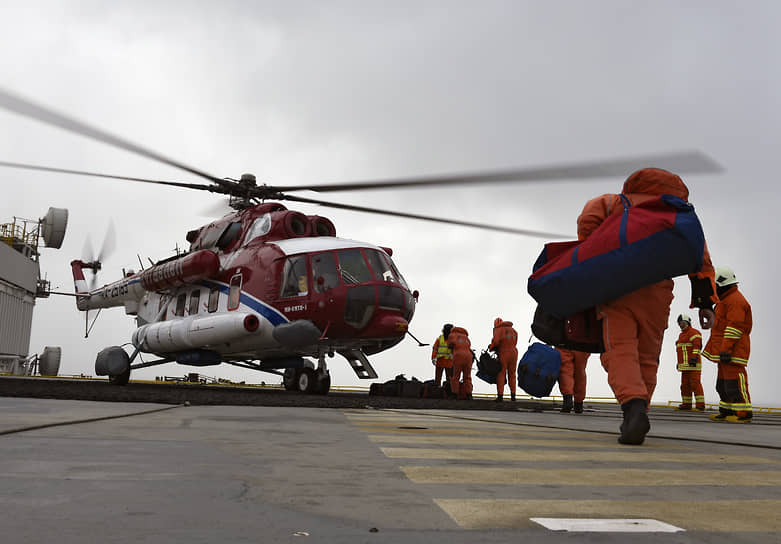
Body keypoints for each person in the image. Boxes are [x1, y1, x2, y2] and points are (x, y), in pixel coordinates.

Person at [578, 168, 716, 445]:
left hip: (617, 286)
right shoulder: (678, 214)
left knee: (619, 349)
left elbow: (587, 224)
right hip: (657, 291)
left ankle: (633, 407)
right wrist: (705, 303)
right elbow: (700, 257)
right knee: (648, 355)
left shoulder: (610, 203)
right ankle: (640, 410)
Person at [701, 266, 753, 422]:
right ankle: (727, 411)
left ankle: (744, 413)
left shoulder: (735, 301)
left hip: (732, 351)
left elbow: (734, 328)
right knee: (723, 384)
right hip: (725, 351)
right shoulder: (725, 300)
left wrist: (725, 350)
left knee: (734, 382)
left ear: (721, 284)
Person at [674, 313, 705, 411]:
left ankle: (700, 406)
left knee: (695, 384)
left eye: (682, 322)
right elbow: (681, 351)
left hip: (693, 365)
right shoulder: (681, 335)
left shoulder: (694, 332)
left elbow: (697, 346)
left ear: (687, 322)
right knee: (684, 386)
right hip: (685, 366)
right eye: (679, 323)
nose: (680, 325)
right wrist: (679, 363)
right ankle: (686, 405)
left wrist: (694, 358)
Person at [488, 317, 519, 402]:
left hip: (504, 352)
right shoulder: (514, 330)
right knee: (512, 374)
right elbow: (515, 342)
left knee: (501, 374)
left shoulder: (498, 330)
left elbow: (496, 342)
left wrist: (491, 347)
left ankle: (500, 396)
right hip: (514, 352)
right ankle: (513, 396)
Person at [557, 348, 589, 413]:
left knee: (565, 371)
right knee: (579, 373)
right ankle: (578, 404)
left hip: (563, 343)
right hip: (583, 345)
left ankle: (567, 400)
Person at [447, 326, 473, 400]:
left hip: (458, 356)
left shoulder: (452, 335)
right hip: (468, 357)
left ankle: (454, 394)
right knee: (467, 377)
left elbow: (450, 345)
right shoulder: (466, 337)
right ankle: (469, 395)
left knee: (455, 376)